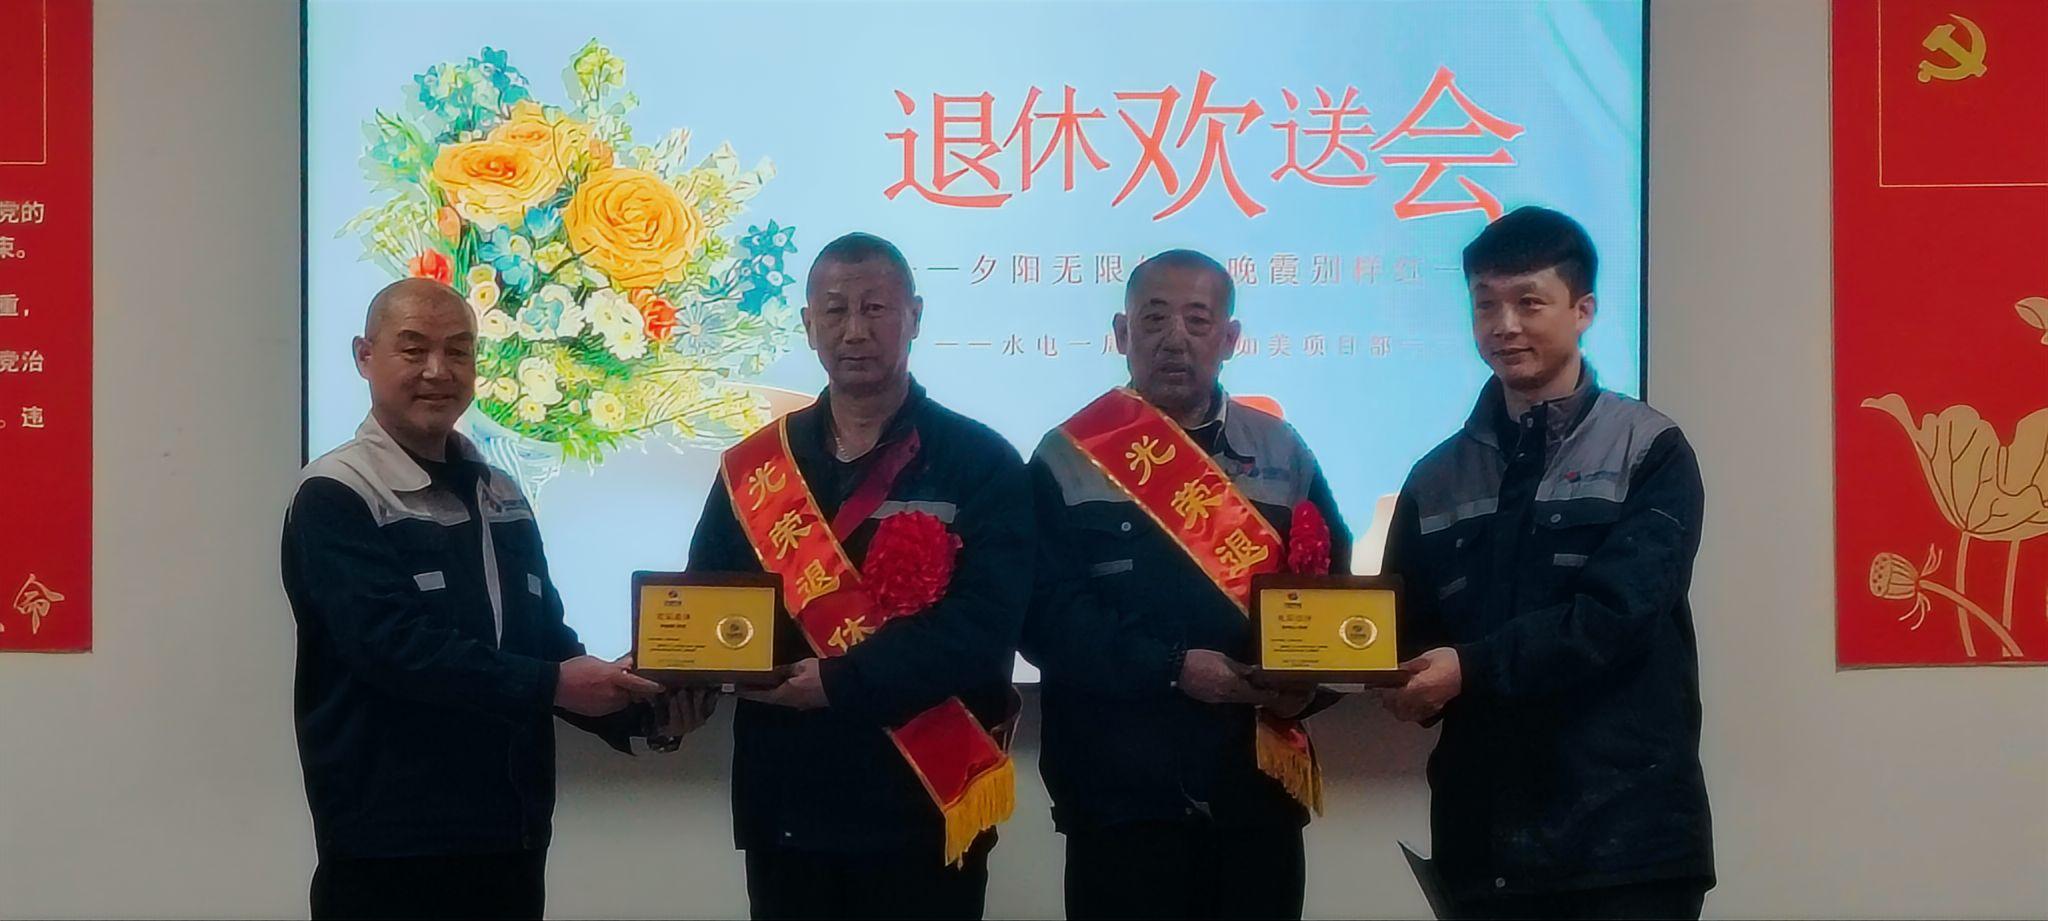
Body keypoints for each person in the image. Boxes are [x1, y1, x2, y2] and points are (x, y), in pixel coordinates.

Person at [281, 278, 666, 920]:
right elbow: (393, 649)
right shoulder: (336, 492)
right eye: (414, 349)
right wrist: (553, 684)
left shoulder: (502, 492)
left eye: (459, 351)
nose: (439, 370)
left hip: (509, 839)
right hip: (390, 849)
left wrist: (639, 709)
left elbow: (545, 640)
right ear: (364, 356)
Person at [679, 233, 1032, 920]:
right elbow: (711, 603)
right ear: (808, 323)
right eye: (835, 310)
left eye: (875, 308)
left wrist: (841, 682)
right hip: (788, 805)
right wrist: (675, 678)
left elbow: (986, 626)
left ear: (915, 317)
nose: (855, 330)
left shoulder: (980, 462)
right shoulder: (755, 467)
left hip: (922, 804)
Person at [1383, 207, 1714, 920]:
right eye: (1485, 305)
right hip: (1483, 847)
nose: (1504, 325)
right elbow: (1405, 628)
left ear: (1582, 310)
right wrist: (1375, 672)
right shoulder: (1434, 477)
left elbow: (1616, 616)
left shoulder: (1650, 450)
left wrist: (1468, 668)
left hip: (1623, 848)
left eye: (1528, 302)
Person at [1024, 250, 1352, 920]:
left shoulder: (1283, 451)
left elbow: (1335, 589)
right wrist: (1173, 667)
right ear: (1122, 333)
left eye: (1198, 321)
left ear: (1229, 338)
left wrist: (1307, 686)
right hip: (1119, 802)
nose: (1175, 338)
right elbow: (1046, 617)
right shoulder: (1066, 456)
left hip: (1254, 796)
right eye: (1154, 319)